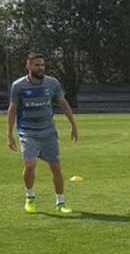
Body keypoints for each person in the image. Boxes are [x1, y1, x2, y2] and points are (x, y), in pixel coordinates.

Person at [7, 53, 79, 214]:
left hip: (48, 132)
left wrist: (73, 125)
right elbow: (12, 109)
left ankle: (60, 202)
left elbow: (63, 102)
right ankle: (30, 197)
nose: (40, 68)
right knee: (30, 166)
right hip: (27, 132)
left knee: (56, 168)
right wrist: (9, 134)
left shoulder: (52, 83)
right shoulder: (18, 86)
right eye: (37, 65)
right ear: (28, 66)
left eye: (42, 65)